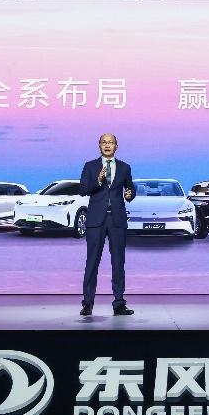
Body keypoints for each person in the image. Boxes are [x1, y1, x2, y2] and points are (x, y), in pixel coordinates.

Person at [78, 133, 135, 316]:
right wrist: (98, 180)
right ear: (99, 146)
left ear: (116, 146)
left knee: (118, 262)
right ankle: (88, 303)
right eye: (104, 142)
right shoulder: (90, 166)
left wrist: (130, 194)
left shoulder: (125, 167)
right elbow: (83, 190)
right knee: (92, 261)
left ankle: (119, 303)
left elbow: (130, 188)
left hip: (117, 219)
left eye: (111, 142)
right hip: (96, 220)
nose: (107, 145)